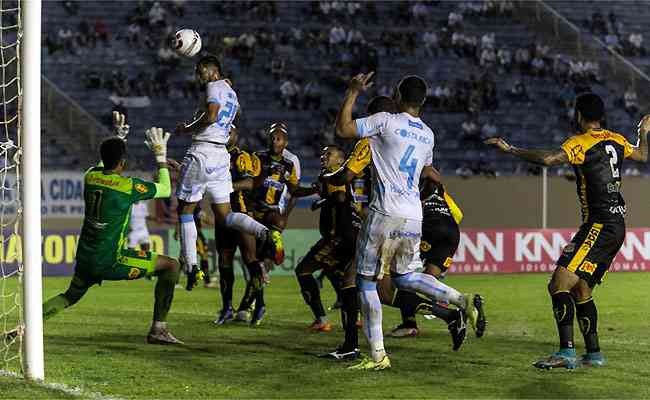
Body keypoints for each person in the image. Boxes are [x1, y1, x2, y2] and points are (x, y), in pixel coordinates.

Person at [485, 93, 650, 369]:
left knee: (558, 284)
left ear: (578, 115)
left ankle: (566, 353)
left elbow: (549, 159)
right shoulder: (617, 140)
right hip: (616, 224)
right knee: (581, 288)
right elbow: (644, 155)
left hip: (599, 224)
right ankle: (594, 353)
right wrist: (643, 132)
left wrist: (511, 149)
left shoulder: (580, 143)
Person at [335, 77, 478, 370]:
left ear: (397, 94)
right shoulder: (428, 134)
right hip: (414, 215)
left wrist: (352, 92)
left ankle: (378, 356)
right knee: (405, 277)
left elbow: (343, 129)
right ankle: (461, 300)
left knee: (365, 282)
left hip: (384, 211)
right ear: (423, 102)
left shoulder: (385, 121)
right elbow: (427, 171)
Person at [41, 112, 184, 344]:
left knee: (70, 296)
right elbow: (166, 189)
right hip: (111, 260)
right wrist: (160, 156)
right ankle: (159, 329)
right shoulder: (128, 187)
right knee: (171, 266)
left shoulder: (90, 177)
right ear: (123, 163)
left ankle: (28, 326)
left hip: (86, 258)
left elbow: (104, 163)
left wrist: (118, 137)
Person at [174, 55, 283, 291]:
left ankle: (192, 267)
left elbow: (212, 115)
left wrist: (187, 128)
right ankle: (263, 232)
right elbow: (232, 116)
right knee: (225, 215)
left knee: (185, 209)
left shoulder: (213, 86)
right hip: (221, 155)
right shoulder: (231, 92)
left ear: (209, 70)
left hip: (203, 149)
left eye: (199, 72)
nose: (198, 77)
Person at [295, 145, 357, 332]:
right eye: (322, 153)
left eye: (328, 154)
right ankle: (357, 316)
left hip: (337, 237)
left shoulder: (335, 173)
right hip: (347, 236)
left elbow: (339, 197)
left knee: (303, 270)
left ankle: (321, 319)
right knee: (337, 273)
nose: (323, 156)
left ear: (340, 160)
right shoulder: (330, 175)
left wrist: (320, 202)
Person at [213, 125, 267, 326]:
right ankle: (227, 308)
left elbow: (249, 183)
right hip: (222, 217)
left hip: (240, 214)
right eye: (224, 132)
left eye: (230, 132)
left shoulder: (241, 156)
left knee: (250, 259)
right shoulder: (215, 156)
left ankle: (260, 304)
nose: (227, 135)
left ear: (236, 136)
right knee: (224, 261)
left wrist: (226, 187)